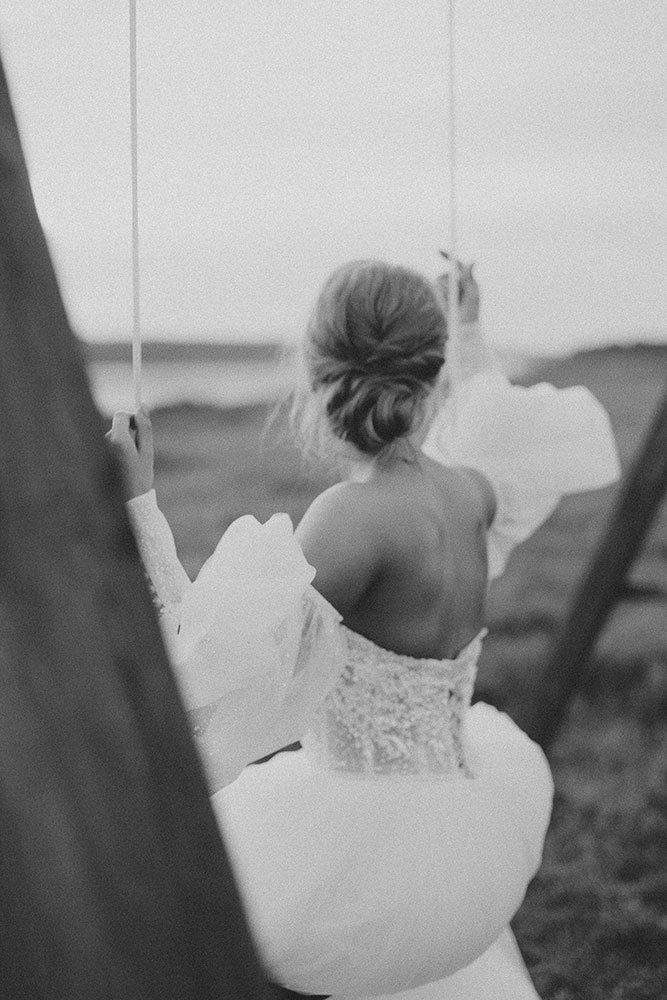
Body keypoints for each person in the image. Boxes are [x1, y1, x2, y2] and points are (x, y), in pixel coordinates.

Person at [109, 259, 620, 999]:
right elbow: (493, 421)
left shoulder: (351, 520)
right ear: (433, 372)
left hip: (358, 852)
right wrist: (469, 327)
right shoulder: (471, 491)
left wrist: (138, 508)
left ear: (317, 377)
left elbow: (205, 663)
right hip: (465, 828)